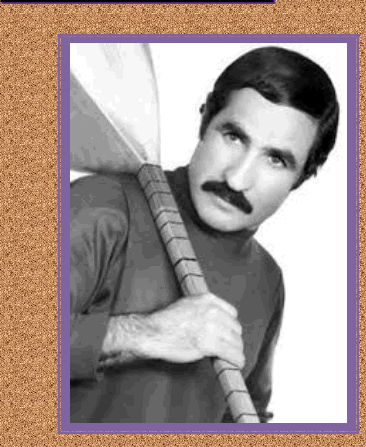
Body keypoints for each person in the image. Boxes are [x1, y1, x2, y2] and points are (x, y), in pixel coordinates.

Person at [70, 46, 339, 423]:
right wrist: (143, 334)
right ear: (204, 121)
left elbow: (244, 418)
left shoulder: (268, 279)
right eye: (234, 136)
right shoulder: (104, 204)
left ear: (301, 178)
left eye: (276, 159)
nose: (237, 179)